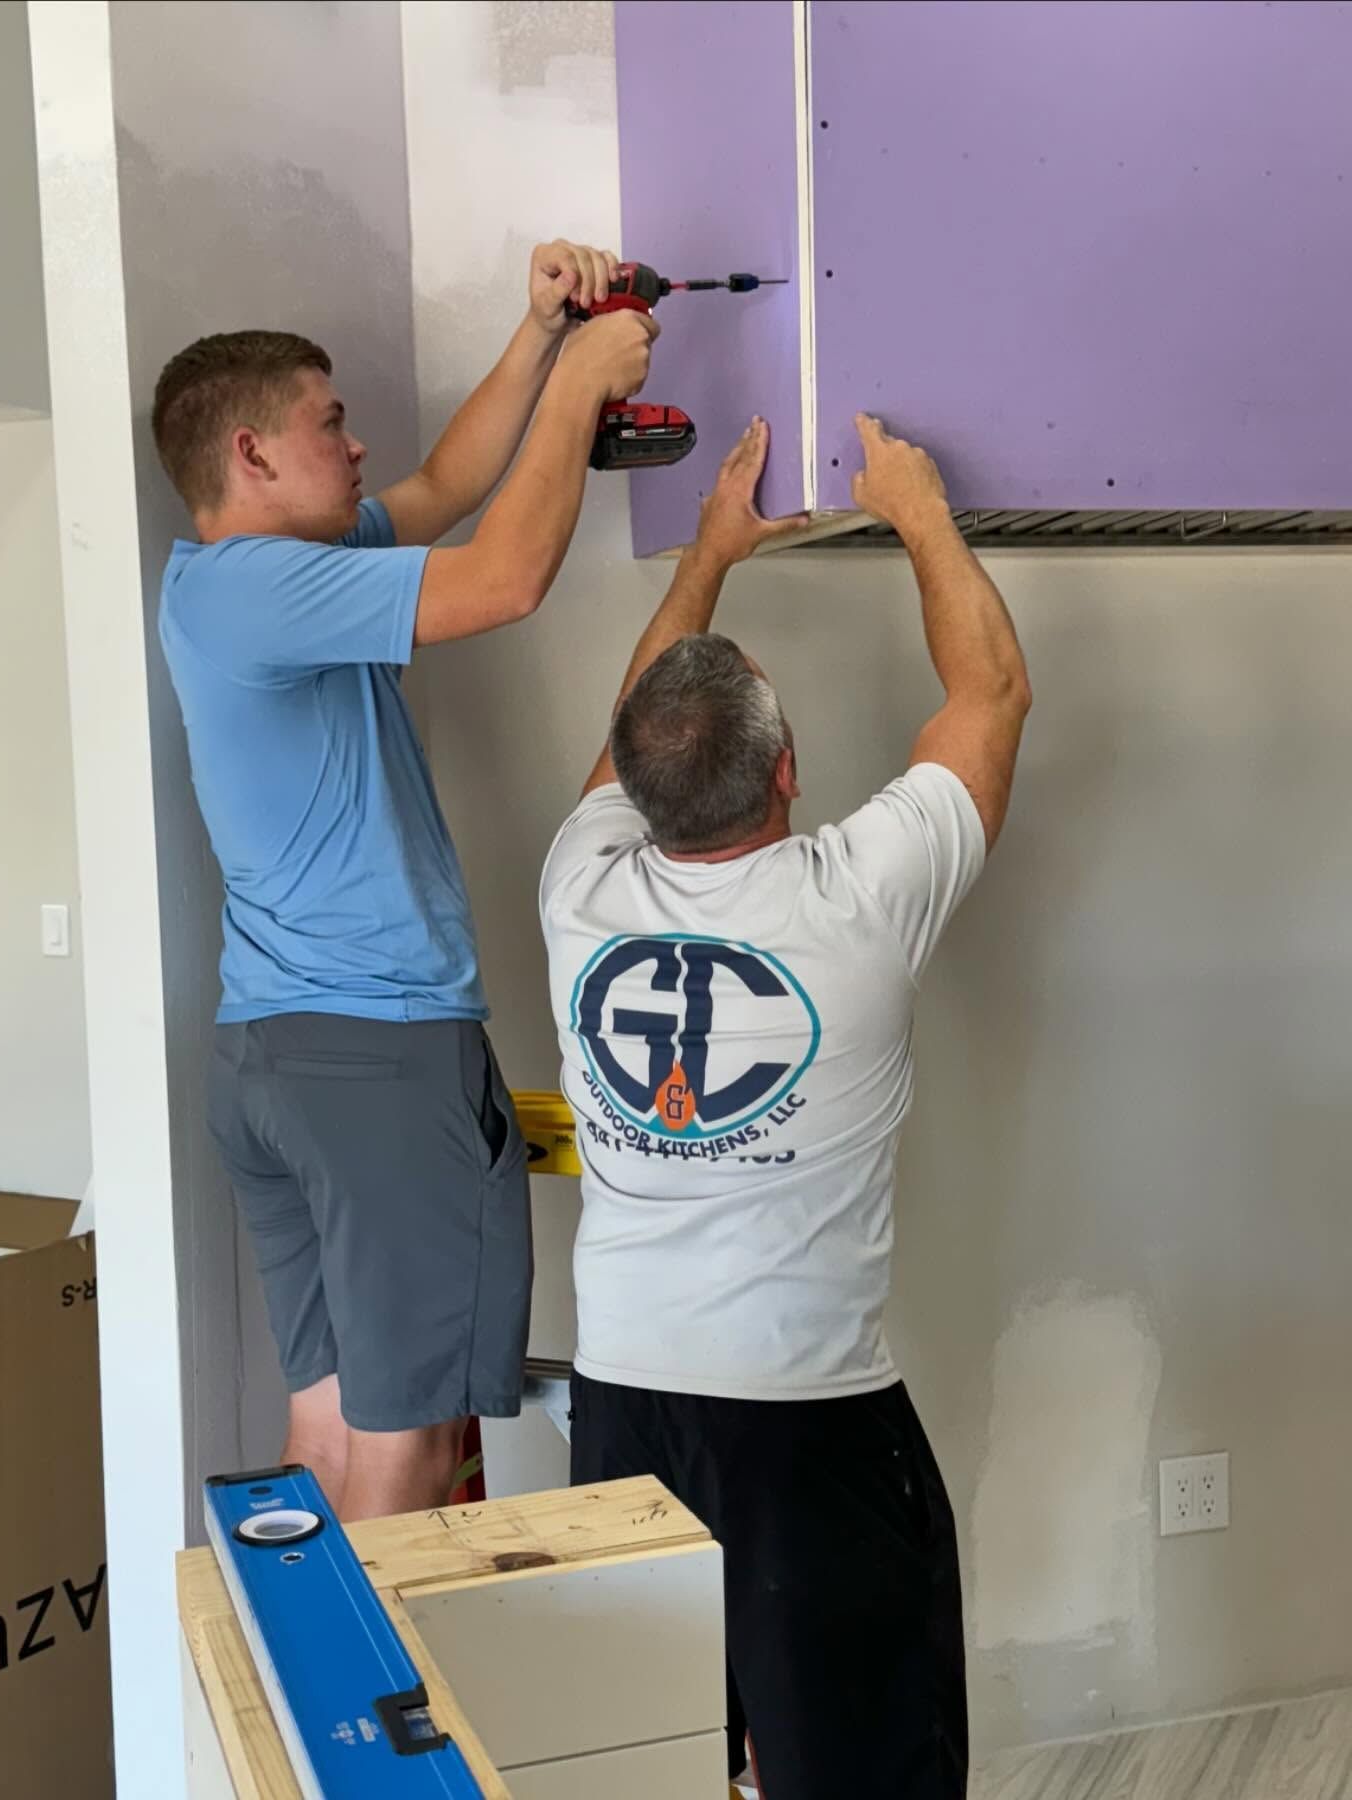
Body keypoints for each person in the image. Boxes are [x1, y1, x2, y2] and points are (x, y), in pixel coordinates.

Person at [538, 414, 1031, 1797]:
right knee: (864, 1771)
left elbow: (634, 726)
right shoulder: (857, 900)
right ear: (790, 770)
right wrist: (917, 508)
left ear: (632, 788)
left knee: (660, 1764)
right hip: (802, 1427)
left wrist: (708, 552)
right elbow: (991, 693)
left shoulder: (579, 889)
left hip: (622, 1406)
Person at [153, 241, 656, 1522]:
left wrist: (542, 335)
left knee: (332, 1427)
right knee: (414, 1453)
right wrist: (583, 387)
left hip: (278, 1057)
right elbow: (506, 577)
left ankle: (310, 1660)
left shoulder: (239, 585)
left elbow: (443, 486)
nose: (359, 444)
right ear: (252, 453)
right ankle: (392, 1667)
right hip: (374, 1056)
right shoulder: (261, 587)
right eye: (329, 425)